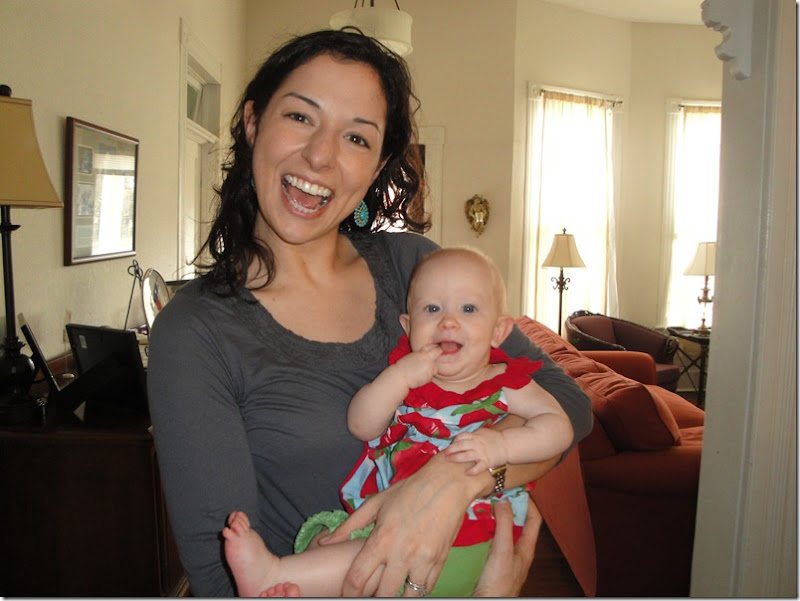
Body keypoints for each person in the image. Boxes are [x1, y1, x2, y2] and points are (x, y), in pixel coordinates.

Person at [147, 28, 592, 597]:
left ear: (378, 164)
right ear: (253, 121)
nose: (321, 156)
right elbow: (222, 580)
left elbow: (569, 404)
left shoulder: (415, 270)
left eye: (357, 138)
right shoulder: (196, 331)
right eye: (301, 117)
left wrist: (457, 481)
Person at [221, 247, 574, 597]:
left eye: (468, 309)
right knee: (325, 537)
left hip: (464, 534)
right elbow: (362, 425)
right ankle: (295, 584)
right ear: (408, 326)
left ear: (499, 331)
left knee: (369, 555)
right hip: (390, 514)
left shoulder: (506, 383)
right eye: (432, 309)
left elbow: (559, 427)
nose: (448, 321)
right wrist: (399, 378)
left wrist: (502, 444)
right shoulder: (409, 376)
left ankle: (273, 575)